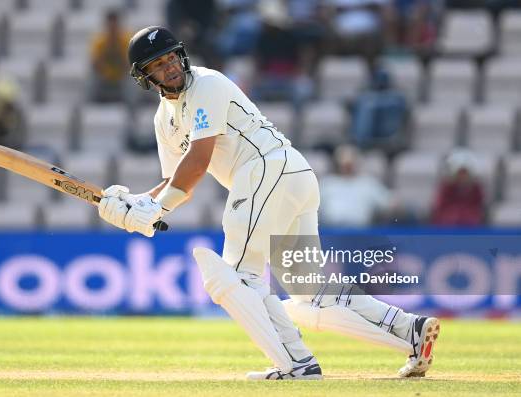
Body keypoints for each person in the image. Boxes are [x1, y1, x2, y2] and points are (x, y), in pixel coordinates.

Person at [97, 26, 439, 380]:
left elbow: (197, 162)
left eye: (170, 58)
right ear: (145, 76)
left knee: (234, 279)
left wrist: (155, 210)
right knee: (310, 296)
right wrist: (133, 206)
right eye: (157, 64)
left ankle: (296, 365)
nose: (169, 67)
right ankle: (409, 330)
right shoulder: (163, 119)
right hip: (288, 178)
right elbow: (175, 182)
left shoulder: (207, 84)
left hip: (268, 169)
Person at [320, 145, 395, 226]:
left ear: (356, 162)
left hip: (362, 234)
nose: (347, 167)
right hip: (330, 233)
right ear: (337, 163)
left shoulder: (368, 183)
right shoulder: (327, 183)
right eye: (344, 163)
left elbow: (389, 202)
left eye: (350, 163)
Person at [431, 148, 485, 226]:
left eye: (464, 173)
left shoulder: (476, 188)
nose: (462, 176)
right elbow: (439, 208)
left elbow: (479, 207)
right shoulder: (446, 188)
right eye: (460, 173)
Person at [88, 9, 132, 103]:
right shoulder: (99, 41)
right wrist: (107, 73)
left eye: (114, 25)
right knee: (90, 80)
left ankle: (131, 109)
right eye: (110, 25)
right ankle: (92, 106)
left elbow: (129, 63)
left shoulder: (126, 40)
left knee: (134, 79)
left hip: (122, 76)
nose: (112, 28)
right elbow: (95, 63)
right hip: (104, 76)